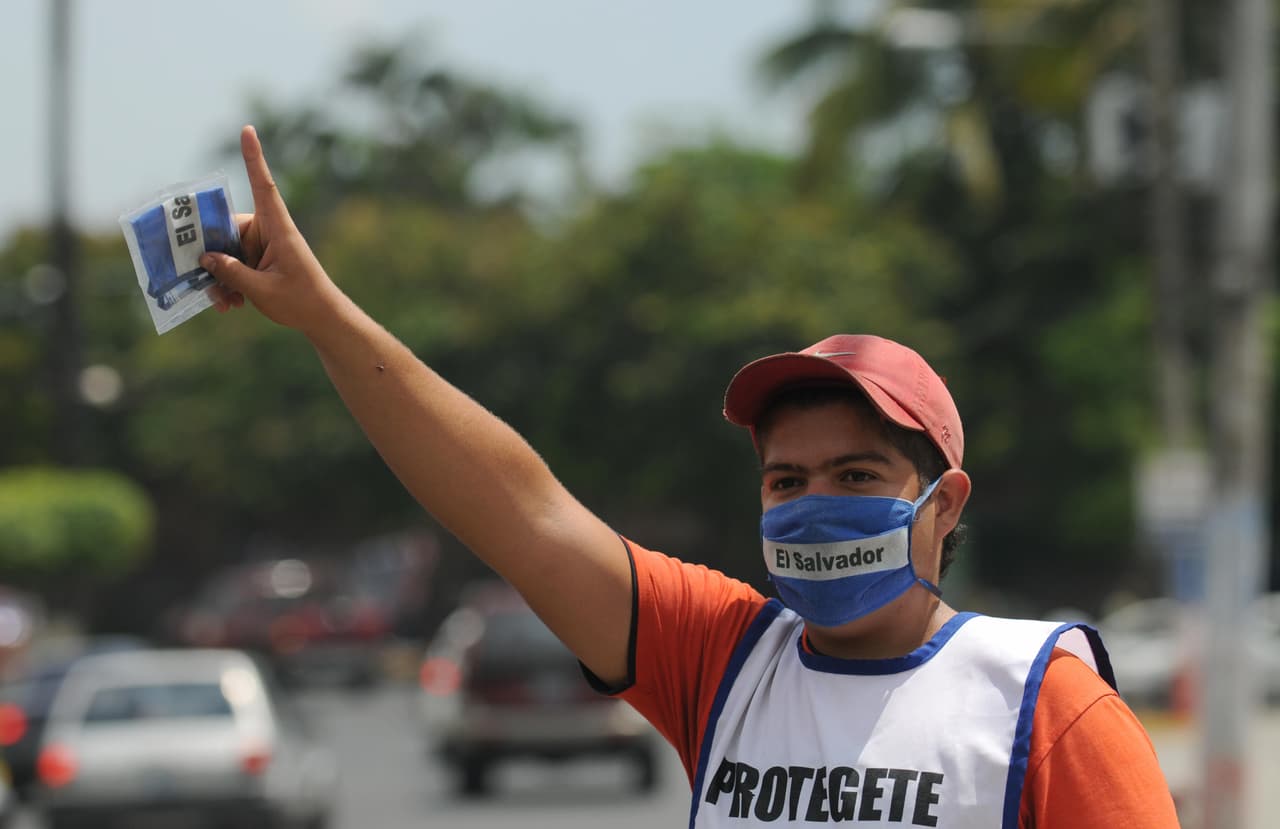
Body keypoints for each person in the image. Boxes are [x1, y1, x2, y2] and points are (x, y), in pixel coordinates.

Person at [202, 125, 1180, 827]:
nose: (813, 506)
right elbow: (515, 507)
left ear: (944, 502)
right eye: (784, 481)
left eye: (854, 472)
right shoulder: (721, 660)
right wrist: (326, 319)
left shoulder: (1040, 704)